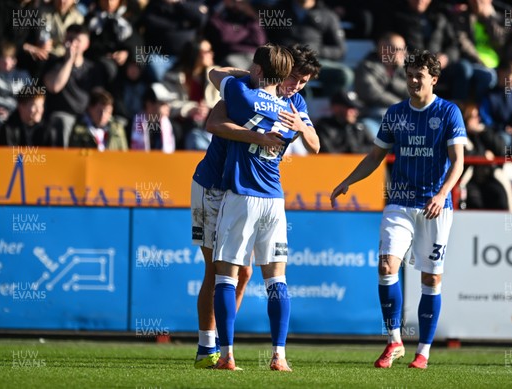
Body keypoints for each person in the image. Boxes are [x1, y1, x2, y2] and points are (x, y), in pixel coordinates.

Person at [330, 50, 466, 369]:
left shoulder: (448, 112)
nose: (413, 81)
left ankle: (424, 351)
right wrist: (348, 181)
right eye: (409, 75)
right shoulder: (394, 114)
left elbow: (458, 161)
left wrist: (442, 193)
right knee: (386, 267)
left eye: (420, 75)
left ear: (434, 79)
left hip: (435, 206)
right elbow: (376, 156)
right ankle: (394, 341)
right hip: (400, 203)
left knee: (430, 280)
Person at [191, 43, 321, 370]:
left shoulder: (267, 97)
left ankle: (230, 350)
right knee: (223, 270)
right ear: (280, 72)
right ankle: (209, 347)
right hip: (216, 185)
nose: (296, 87)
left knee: (236, 272)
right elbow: (214, 124)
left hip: (244, 191)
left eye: (304, 82)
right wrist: (260, 137)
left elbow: (213, 79)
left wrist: (294, 127)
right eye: (293, 78)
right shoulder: (249, 89)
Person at [43, 24, 109, 147]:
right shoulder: (53, 63)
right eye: (69, 39)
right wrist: (68, 61)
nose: (73, 43)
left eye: (78, 40)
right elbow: (54, 86)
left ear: (86, 44)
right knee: (62, 120)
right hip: (62, 116)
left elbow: (99, 98)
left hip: (86, 116)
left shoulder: (93, 69)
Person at [354, 32, 409, 137]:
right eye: (398, 49)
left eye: (404, 49)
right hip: (375, 117)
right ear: (383, 49)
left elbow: (415, 91)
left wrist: (393, 83)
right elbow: (372, 94)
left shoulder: (407, 68)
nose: (403, 53)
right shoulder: (366, 67)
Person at [130, 83, 178, 153]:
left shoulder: (173, 128)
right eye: (163, 103)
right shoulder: (131, 125)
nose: (168, 107)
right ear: (149, 104)